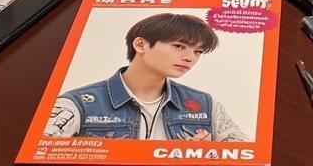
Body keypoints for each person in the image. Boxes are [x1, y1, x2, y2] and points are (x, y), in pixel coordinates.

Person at [46, 13, 247, 139]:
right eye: (179, 46)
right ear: (140, 44)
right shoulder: (77, 104)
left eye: (198, 52)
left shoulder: (205, 103)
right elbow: (38, 154)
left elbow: (247, 157)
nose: (189, 58)